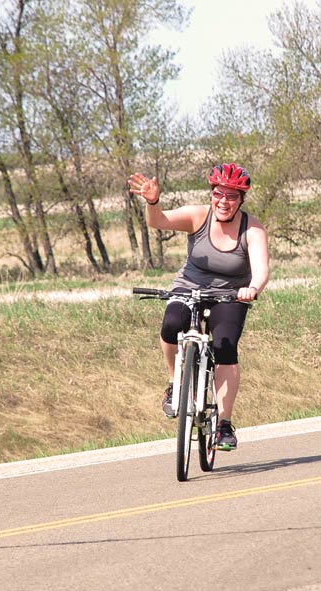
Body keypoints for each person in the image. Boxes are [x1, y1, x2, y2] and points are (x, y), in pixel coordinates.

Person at [127, 163, 269, 451]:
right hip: (189, 287)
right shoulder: (198, 216)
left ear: (241, 199)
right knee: (171, 324)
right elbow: (159, 222)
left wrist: (252, 288)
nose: (224, 201)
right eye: (219, 194)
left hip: (231, 295)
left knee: (225, 347)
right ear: (212, 194)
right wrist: (153, 202)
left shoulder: (251, 228)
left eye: (231, 196)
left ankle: (224, 426)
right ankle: (174, 382)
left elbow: (262, 269)